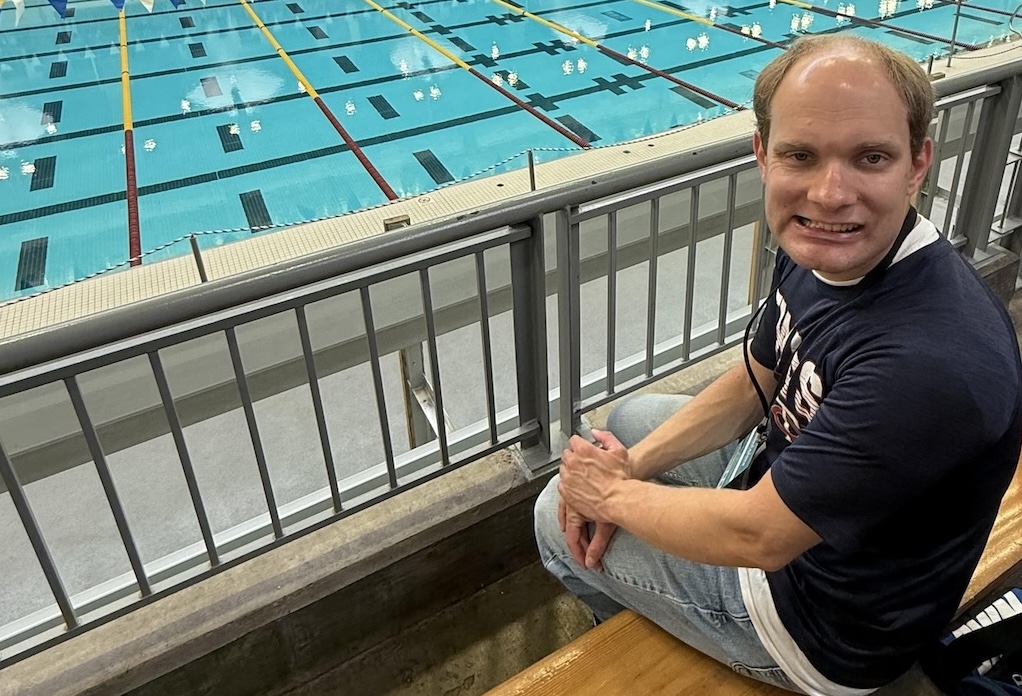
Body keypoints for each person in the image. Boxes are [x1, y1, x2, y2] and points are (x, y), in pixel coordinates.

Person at [534, 34, 1022, 695]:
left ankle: (658, 656)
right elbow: (757, 378)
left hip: (823, 627)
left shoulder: (929, 364)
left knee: (554, 517)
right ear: (763, 155)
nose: (829, 193)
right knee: (632, 422)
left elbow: (760, 536)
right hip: (796, 493)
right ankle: (660, 611)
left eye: (870, 157)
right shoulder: (830, 246)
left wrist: (611, 492)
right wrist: (632, 468)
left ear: (917, 163)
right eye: (801, 155)